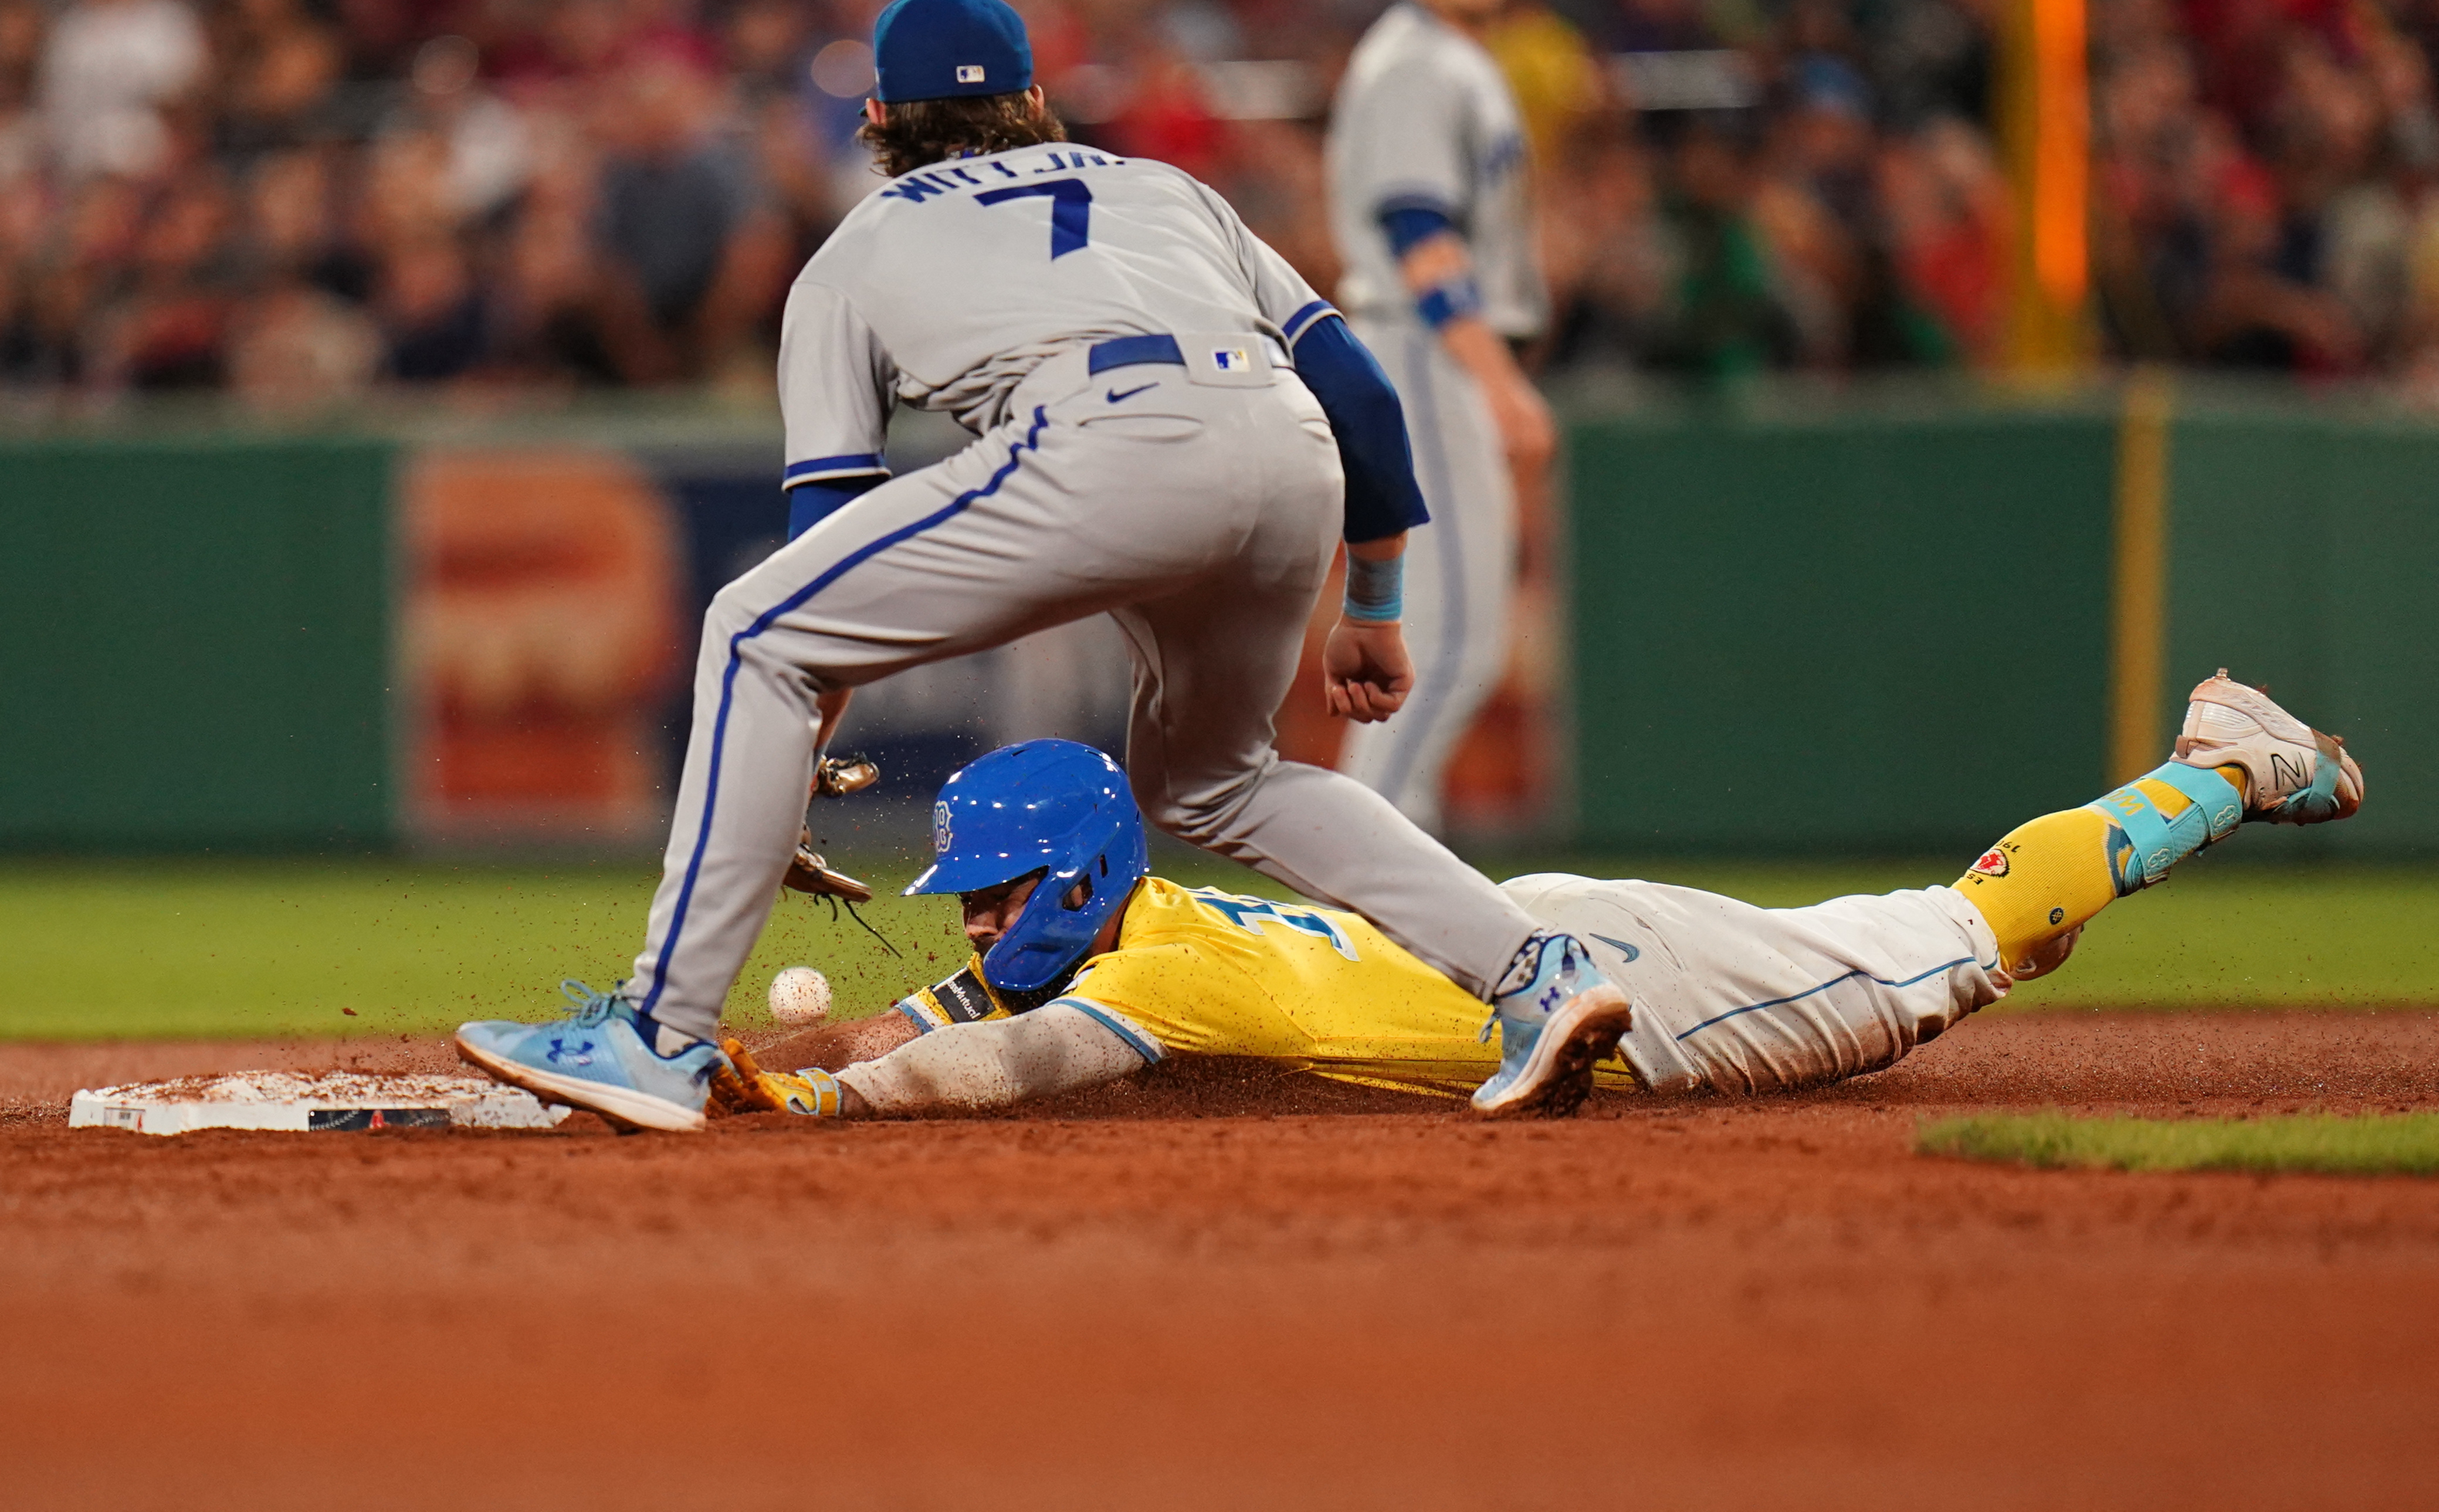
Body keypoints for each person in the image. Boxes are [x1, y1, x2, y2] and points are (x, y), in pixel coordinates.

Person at [454, 0, 1632, 1133]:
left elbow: (825, 556)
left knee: (752, 629)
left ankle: (656, 1039)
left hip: (1103, 437)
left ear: (875, 121)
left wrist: (797, 741)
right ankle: (1535, 972)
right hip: (1289, 448)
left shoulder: (856, 250)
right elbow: (1363, 399)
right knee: (1220, 779)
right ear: (1032, 101)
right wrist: (1372, 600)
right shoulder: (1171, 191)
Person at [705, 672, 2362, 1121]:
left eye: (996, 902)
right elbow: (910, 1024)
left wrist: (821, 1118)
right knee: (1983, 941)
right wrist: (764, 1062)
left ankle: (2225, 763)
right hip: (1528, 940)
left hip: (1638, 993)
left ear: (1071, 884)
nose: (975, 929)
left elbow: (984, 1067)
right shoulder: (1109, 939)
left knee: (1975, 931)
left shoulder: (1148, 985)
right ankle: (2187, 790)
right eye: (971, 908)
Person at [1324, 0, 1557, 833]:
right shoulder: (1416, 63)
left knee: (1440, 637)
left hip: (1422, 353)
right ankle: (1357, 878)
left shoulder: (1451, 59)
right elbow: (1416, 235)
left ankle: (1368, 872)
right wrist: (1497, 380)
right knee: (1454, 636)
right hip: (1421, 350)